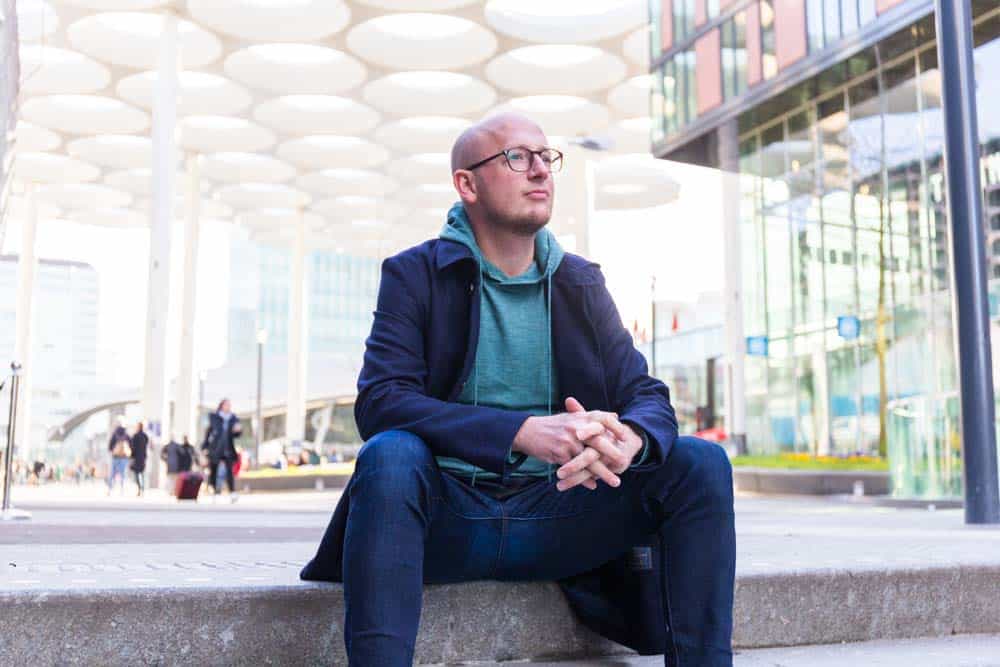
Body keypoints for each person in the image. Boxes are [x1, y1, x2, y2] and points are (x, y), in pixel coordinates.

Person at [300, 113, 736, 666]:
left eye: (546, 157)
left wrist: (632, 438)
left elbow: (645, 391)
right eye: (517, 157)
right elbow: (382, 402)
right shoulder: (416, 275)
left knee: (699, 463)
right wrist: (521, 432)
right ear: (467, 184)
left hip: (560, 517)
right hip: (445, 519)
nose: (540, 171)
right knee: (390, 454)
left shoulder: (581, 282)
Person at [202, 399, 241, 502]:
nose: (228, 407)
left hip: (228, 447)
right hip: (216, 448)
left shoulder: (233, 418)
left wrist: (237, 431)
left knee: (229, 471)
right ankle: (214, 491)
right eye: (226, 405)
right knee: (214, 470)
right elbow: (209, 432)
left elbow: (237, 434)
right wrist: (205, 447)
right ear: (221, 406)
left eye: (229, 405)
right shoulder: (214, 417)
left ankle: (232, 492)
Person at [107, 417, 131, 496]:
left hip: (115, 457)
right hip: (124, 457)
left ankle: (110, 489)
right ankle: (122, 489)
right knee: (123, 474)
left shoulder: (115, 433)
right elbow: (130, 445)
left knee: (113, 474)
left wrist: (112, 450)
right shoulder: (126, 434)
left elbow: (110, 445)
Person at [129, 422, 149, 497]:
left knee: (137, 474)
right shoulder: (145, 436)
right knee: (142, 474)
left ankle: (139, 488)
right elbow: (146, 446)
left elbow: (132, 447)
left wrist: (131, 457)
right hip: (143, 458)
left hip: (136, 458)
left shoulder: (135, 436)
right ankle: (142, 489)